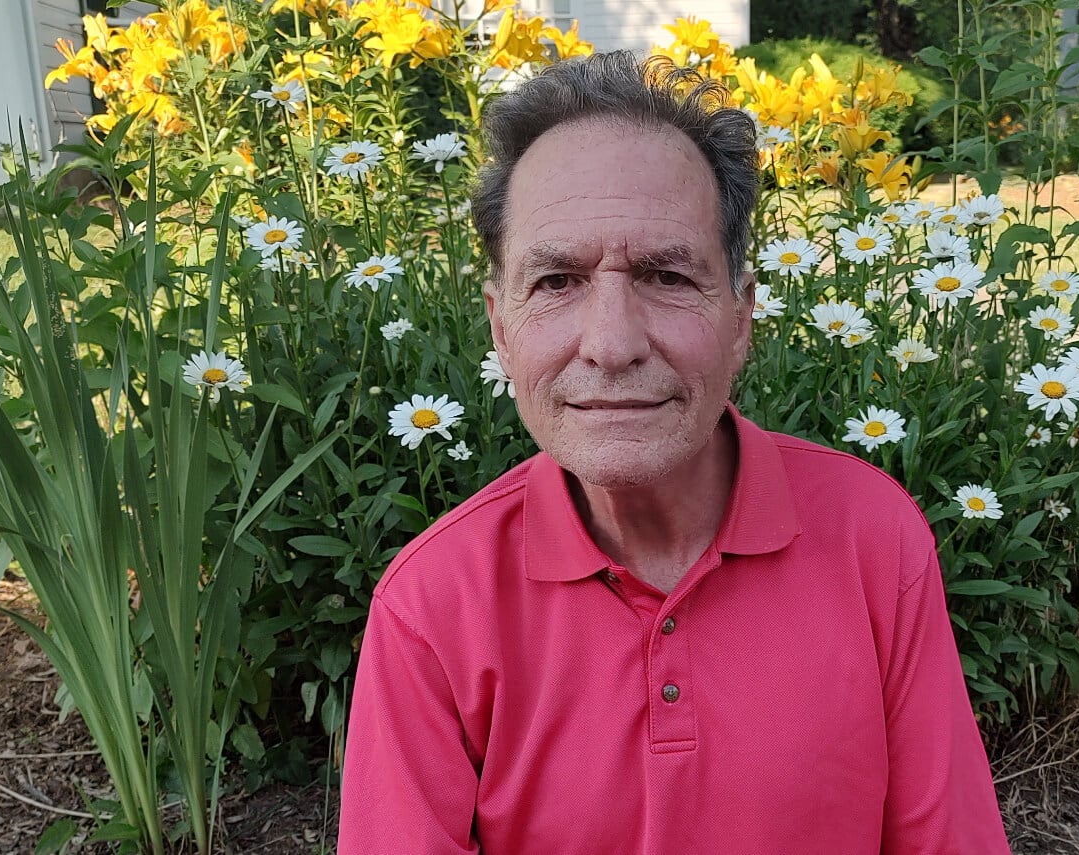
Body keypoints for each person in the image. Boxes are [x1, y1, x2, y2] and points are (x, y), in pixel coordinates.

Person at [336, 50, 1011, 854]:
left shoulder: (876, 541)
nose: (612, 344)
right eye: (555, 281)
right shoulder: (431, 609)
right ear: (499, 327)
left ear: (741, 317)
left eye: (665, 275)